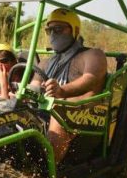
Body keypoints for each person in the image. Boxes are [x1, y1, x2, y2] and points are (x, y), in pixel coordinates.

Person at [31, 8, 108, 163]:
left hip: (87, 112)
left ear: (75, 30)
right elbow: (34, 86)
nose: (53, 34)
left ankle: (46, 176)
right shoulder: (46, 62)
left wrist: (62, 91)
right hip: (49, 110)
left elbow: (90, 79)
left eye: (58, 29)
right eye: (49, 30)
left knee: (59, 113)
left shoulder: (92, 54)